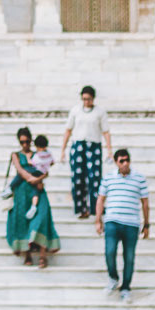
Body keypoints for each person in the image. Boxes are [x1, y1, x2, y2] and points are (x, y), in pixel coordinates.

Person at [96, 148, 151, 301]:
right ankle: (113, 277)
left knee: (129, 257)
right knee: (109, 251)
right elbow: (100, 199)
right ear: (116, 162)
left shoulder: (139, 178)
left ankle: (126, 286)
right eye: (122, 161)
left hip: (131, 223)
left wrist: (146, 224)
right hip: (112, 221)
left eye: (127, 160)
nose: (125, 163)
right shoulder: (108, 178)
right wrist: (98, 220)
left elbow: (145, 202)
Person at [4, 126, 59, 269]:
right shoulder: (16, 154)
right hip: (22, 192)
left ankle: (42, 256)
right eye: (22, 142)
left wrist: (38, 179)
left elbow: (46, 170)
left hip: (37, 191)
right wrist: (31, 178)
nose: (25, 144)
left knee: (42, 218)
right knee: (22, 221)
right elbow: (20, 170)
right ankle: (27, 254)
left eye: (27, 141)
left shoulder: (39, 153)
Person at [60, 85, 113, 220]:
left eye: (89, 99)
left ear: (93, 98)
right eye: (84, 99)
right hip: (78, 145)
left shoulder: (100, 112)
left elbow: (105, 131)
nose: (86, 102)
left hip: (93, 145)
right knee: (78, 178)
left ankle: (96, 208)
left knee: (94, 178)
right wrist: (63, 150)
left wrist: (109, 149)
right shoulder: (76, 111)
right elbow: (68, 130)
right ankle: (81, 208)